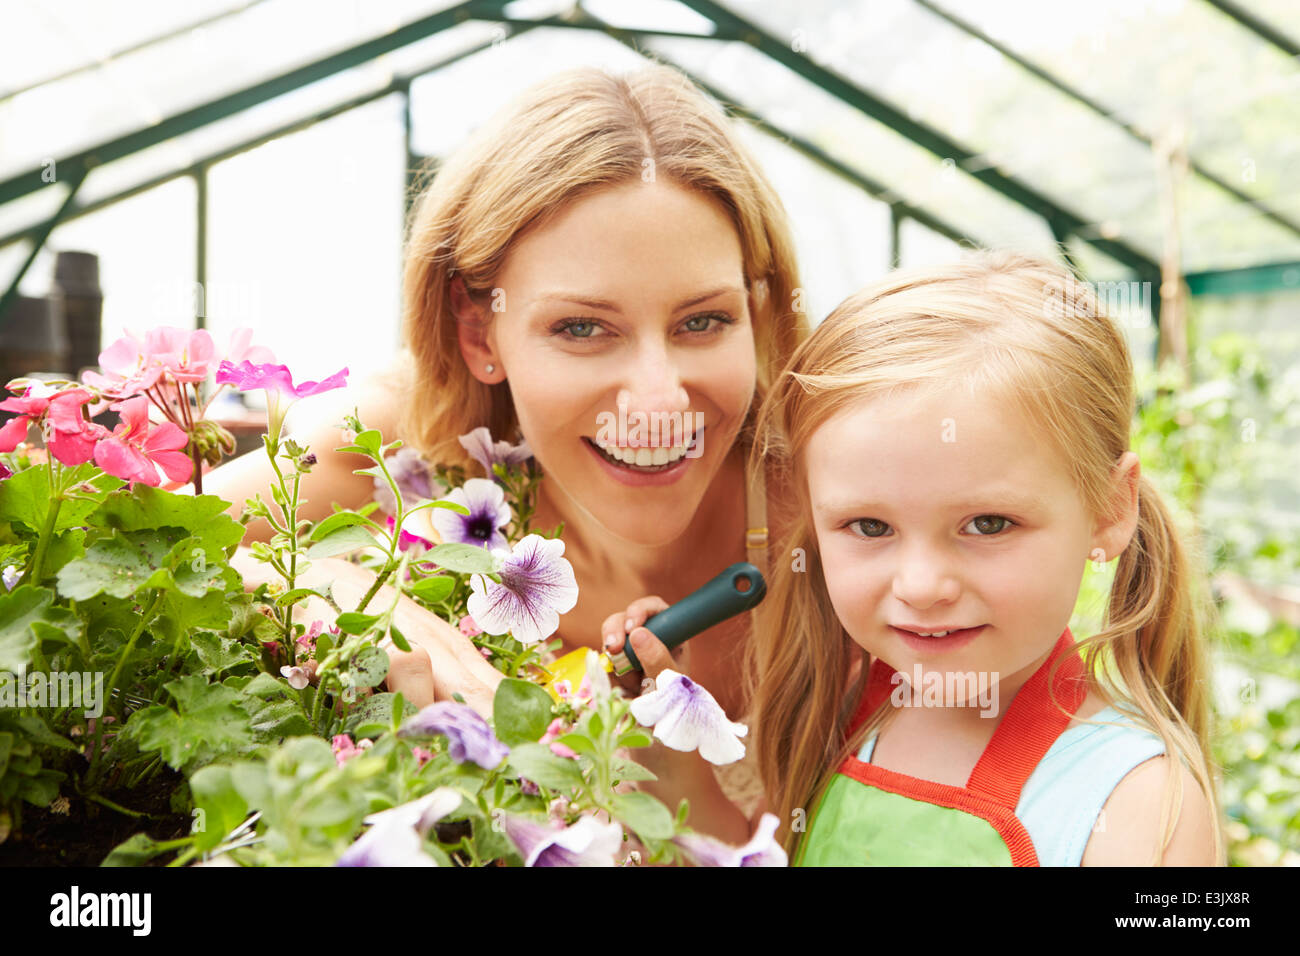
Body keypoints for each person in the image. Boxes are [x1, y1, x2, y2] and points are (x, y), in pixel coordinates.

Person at [205, 64, 806, 842]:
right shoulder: (407, 436)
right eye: (583, 328)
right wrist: (337, 584)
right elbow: (114, 551)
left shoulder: (833, 479)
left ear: (757, 312)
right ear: (478, 331)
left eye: (703, 321)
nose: (657, 401)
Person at [739, 251, 1223, 865]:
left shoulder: (1137, 802)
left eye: (987, 524)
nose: (920, 586)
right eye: (869, 525)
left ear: (1109, 510)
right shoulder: (832, 714)